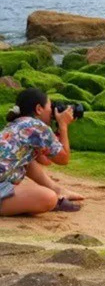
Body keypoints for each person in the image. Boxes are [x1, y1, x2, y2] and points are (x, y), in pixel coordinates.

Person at [0, 88, 80, 216]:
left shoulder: (15, 124)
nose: (52, 112)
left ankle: (58, 189)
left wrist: (57, 129)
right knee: (49, 198)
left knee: (28, 161)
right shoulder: (38, 126)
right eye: (50, 107)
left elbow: (45, 160)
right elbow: (63, 159)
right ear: (39, 109)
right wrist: (63, 126)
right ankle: (52, 195)